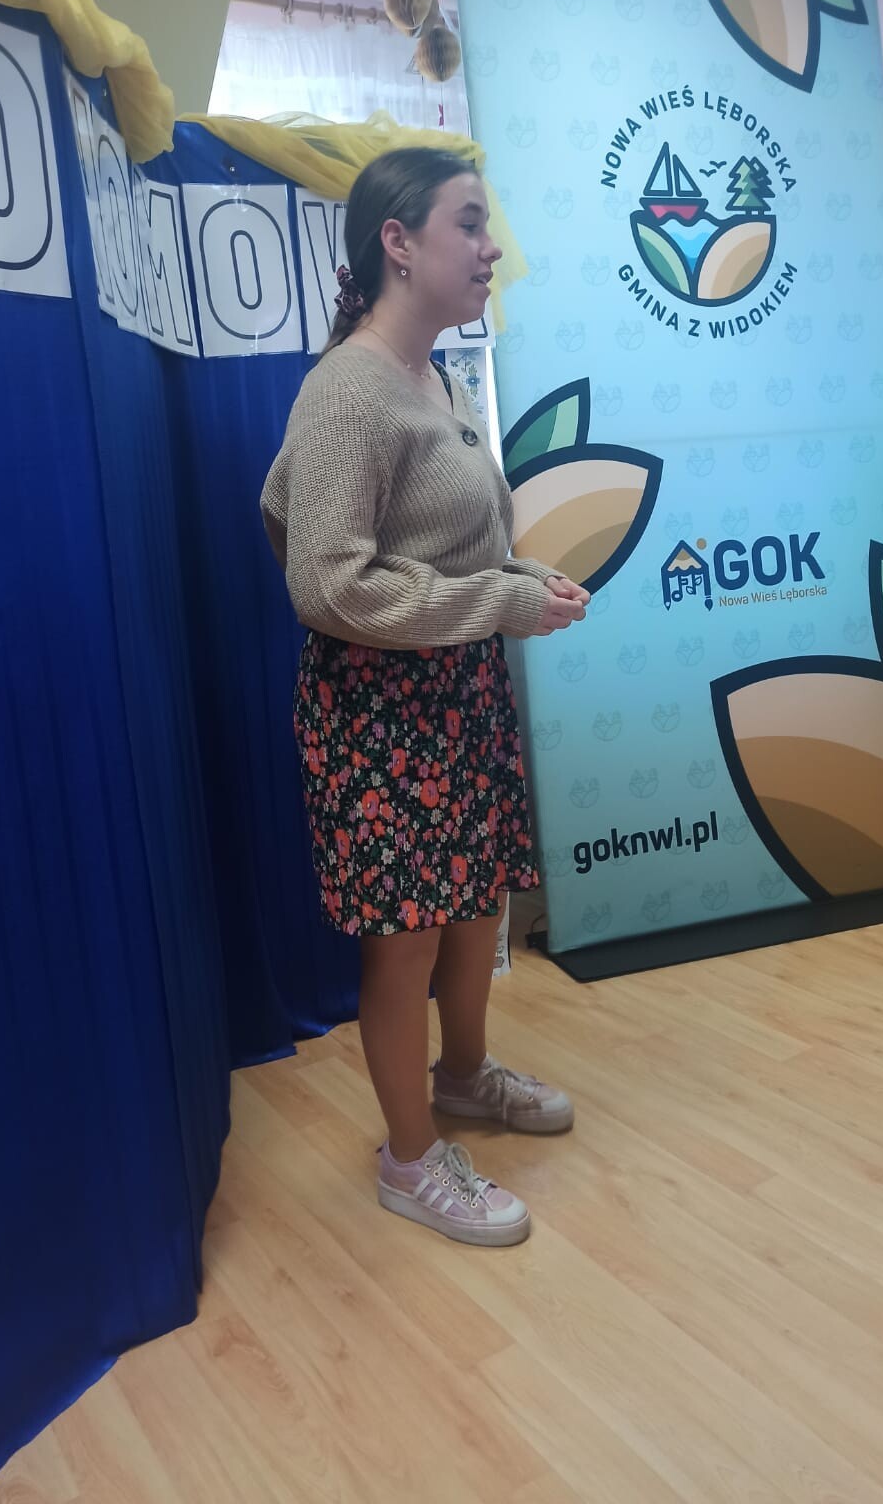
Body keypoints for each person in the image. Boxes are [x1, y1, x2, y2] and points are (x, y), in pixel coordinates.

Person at [260, 147, 589, 1246]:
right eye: (470, 223)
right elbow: (325, 582)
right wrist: (493, 600)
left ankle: (461, 1077)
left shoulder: (432, 379)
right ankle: (408, 1161)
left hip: (455, 691)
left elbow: (438, 545)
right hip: (381, 714)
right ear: (397, 243)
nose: (491, 248)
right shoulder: (346, 391)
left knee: (474, 902)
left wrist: (516, 581)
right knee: (404, 938)